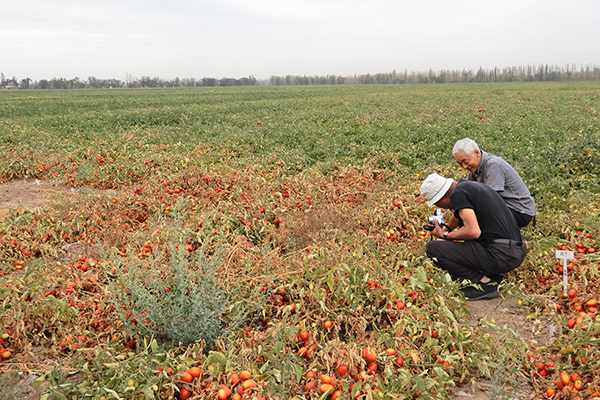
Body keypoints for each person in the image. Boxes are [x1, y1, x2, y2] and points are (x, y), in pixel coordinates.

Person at [419, 173, 527, 300]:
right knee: (465, 243)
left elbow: (473, 231)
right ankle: (492, 275)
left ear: (442, 199)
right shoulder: (469, 186)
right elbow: (460, 213)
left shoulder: (458, 195)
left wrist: (445, 235)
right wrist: (447, 228)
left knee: (433, 248)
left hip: (501, 255)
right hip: (517, 250)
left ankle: (484, 283)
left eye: (437, 204)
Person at [452, 138, 535, 228]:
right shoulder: (474, 169)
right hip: (503, 206)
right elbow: (464, 191)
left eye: (465, 161)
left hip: (519, 210)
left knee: (476, 217)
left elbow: (489, 200)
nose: (464, 166)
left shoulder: (493, 165)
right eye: (460, 164)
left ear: (476, 153)